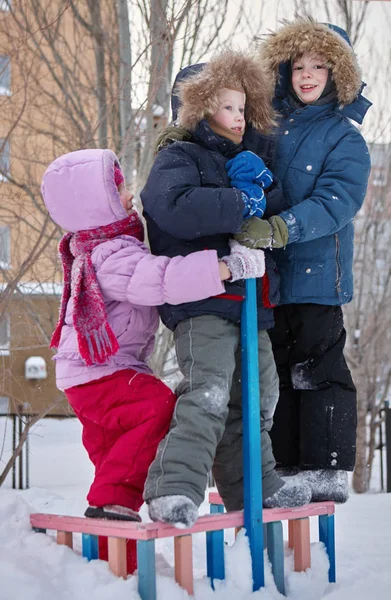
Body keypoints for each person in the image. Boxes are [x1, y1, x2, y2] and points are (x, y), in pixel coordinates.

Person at [41, 147, 264, 528]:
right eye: (118, 190)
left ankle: (116, 549)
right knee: (157, 407)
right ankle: (111, 505)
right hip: (102, 372)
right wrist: (225, 268)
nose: (128, 195)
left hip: (87, 373)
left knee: (115, 460)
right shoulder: (112, 254)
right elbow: (162, 280)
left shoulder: (97, 248)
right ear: (96, 206)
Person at [140, 50, 313, 529]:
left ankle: (255, 487)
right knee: (209, 393)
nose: (239, 118)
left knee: (259, 398)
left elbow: (267, 214)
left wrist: (263, 192)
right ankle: (174, 487)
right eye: (227, 108)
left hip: (253, 303)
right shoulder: (178, 157)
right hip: (203, 301)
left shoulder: (249, 160)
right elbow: (171, 207)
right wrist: (239, 201)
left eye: (243, 108)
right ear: (199, 110)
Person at [233, 20, 372, 503]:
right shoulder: (266, 127)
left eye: (319, 66)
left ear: (339, 75)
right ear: (284, 71)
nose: (307, 75)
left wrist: (280, 228)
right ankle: (288, 468)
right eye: (299, 66)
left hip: (317, 278)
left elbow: (337, 200)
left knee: (318, 371)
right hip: (272, 279)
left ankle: (326, 468)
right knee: (279, 372)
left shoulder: (344, 139)